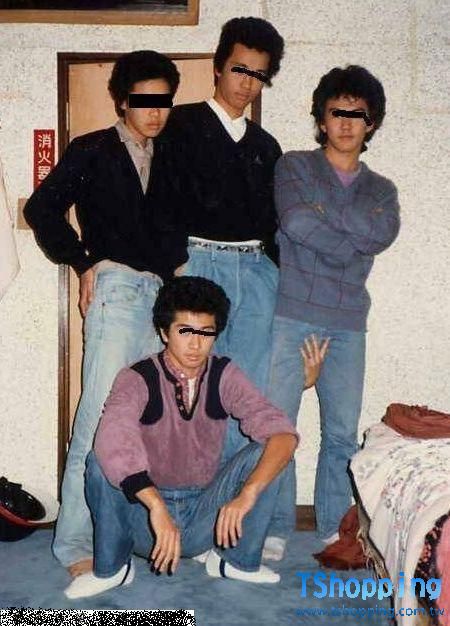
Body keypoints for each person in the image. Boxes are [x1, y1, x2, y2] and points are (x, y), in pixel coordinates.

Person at [24, 50, 185, 576]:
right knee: (97, 418)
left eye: (163, 101)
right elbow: (41, 208)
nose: (155, 112)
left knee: (144, 423)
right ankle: (74, 545)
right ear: (121, 101)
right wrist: (81, 262)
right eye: (144, 101)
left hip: (161, 298)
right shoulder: (92, 149)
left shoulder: (171, 155)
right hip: (116, 291)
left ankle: (125, 535)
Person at [63, 276, 306, 600]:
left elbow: (282, 433)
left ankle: (234, 560)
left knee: (274, 449)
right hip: (146, 523)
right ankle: (113, 567)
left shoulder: (223, 373)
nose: (196, 344)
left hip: (206, 517)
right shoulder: (138, 376)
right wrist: (156, 507)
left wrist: (248, 493)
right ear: (164, 332)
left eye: (206, 333)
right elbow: (114, 438)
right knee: (99, 460)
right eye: (185, 331)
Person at [266, 65, 401, 556]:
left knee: (342, 431)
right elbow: (296, 222)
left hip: (348, 323)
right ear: (321, 119)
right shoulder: (294, 167)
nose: (346, 122)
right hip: (292, 314)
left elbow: (383, 234)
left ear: (371, 123)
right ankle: (275, 526)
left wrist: (326, 216)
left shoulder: (381, 189)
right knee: (278, 426)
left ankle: (330, 525)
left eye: (357, 114)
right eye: (336, 112)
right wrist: (349, 240)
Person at [155, 17, 284, 420]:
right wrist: (176, 266)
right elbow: (161, 199)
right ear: (218, 67)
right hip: (200, 263)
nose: (247, 83)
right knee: (193, 384)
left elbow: (274, 223)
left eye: (258, 75)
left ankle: (241, 467)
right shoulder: (180, 124)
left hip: (256, 272)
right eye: (240, 69)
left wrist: (274, 275)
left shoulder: (266, 146)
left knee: (249, 388)